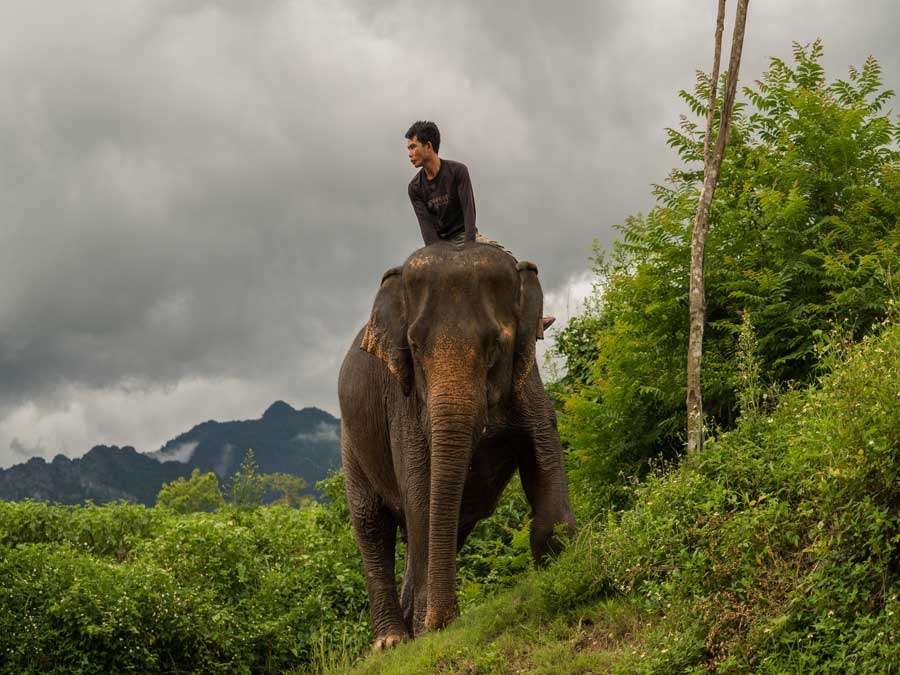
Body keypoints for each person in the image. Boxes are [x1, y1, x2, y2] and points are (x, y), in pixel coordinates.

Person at [404, 120, 554, 333]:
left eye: (413, 147)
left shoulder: (458, 172)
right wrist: (440, 259)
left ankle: (534, 320)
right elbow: (426, 229)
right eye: (408, 148)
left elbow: (469, 212)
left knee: (512, 264)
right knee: (408, 283)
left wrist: (469, 248)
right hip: (438, 247)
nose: (409, 153)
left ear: (428, 146)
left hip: (466, 236)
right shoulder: (415, 188)